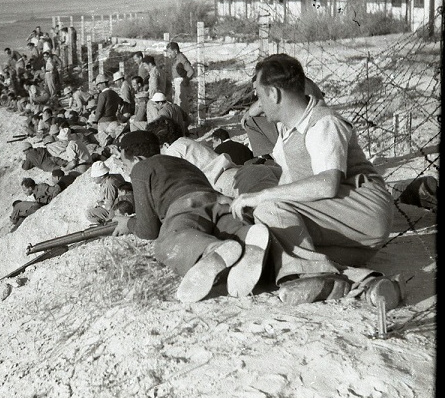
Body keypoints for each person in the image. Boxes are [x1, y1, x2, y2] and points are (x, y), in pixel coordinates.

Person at [230, 54, 401, 308]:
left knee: (269, 209)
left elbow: (327, 184)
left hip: (364, 211)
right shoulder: (288, 129)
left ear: (274, 94)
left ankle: (313, 274)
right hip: (345, 231)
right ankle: (369, 284)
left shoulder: (323, 122)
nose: (259, 104)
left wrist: (261, 197)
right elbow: (288, 185)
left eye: (259, 95)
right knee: (274, 246)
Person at [110, 131, 270, 302]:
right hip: (218, 202)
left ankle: (209, 251)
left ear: (136, 159)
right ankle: (246, 238)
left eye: (125, 163)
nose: (126, 169)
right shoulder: (181, 162)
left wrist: (128, 224)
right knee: (228, 229)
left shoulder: (141, 168)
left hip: (185, 206)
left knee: (170, 240)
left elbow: (148, 230)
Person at [147, 116, 280, 198]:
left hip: (227, 184)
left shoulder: (173, 150)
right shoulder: (187, 142)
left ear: (165, 144)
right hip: (240, 172)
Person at [241, 76, 325, 158]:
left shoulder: (283, 86)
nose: (255, 93)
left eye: (257, 89)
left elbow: (255, 109)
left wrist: (248, 113)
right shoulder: (302, 81)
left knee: (251, 122)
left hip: (302, 135)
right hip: (316, 129)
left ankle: (277, 159)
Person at [85, 161, 127, 225]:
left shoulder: (109, 184)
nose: (93, 178)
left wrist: (100, 204)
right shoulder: (115, 176)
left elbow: (109, 206)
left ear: (101, 176)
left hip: (117, 210)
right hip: (124, 204)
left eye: (95, 176)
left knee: (88, 213)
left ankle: (106, 224)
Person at [166, 42, 195, 125]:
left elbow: (191, 70)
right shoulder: (176, 59)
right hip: (177, 84)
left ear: (175, 51)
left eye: (170, 52)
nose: (168, 54)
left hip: (181, 84)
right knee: (177, 105)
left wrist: (185, 80)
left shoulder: (181, 58)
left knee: (181, 105)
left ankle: (183, 125)